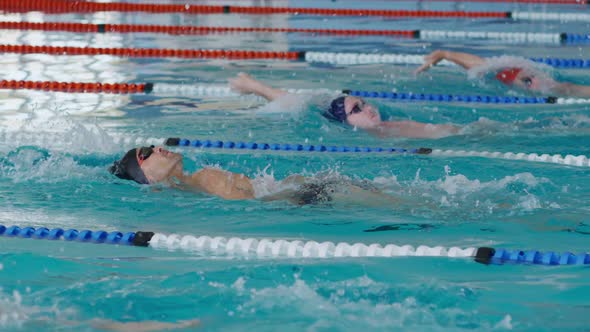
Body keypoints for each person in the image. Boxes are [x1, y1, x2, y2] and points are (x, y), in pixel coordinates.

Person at [108, 144, 417, 206]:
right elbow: (256, 205)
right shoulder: (204, 183)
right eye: (146, 155)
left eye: (152, 146)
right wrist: (312, 191)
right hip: (315, 197)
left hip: (307, 192)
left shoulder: (200, 178)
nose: (158, 149)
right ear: (148, 180)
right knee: (408, 205)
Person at [228, 73, 460, 139]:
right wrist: (256, 86)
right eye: (355, 110)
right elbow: (296, 102)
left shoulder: (391, 126)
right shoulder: (375, 133)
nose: (369, 109)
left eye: (364, 104)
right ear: (343, 122)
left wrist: (255, 86)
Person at [415, 49, 590, 98]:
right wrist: (446, 55)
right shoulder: (503, 74)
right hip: (524, 77)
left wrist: (447, 55)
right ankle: (444, 53)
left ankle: (444, 53)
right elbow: (483, 66)